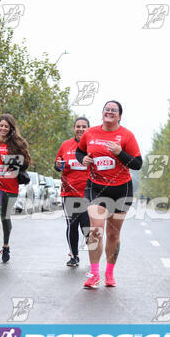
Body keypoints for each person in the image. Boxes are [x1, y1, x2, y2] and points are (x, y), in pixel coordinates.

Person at [76, 100, 142, 288]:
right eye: (107, 109)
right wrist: (84, 159)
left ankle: (109, 272)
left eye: (114, 110)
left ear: (120, 116)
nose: (110, 112)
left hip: (121, 189)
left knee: (113, 235)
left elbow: (138, 164)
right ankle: (94, 274)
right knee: (96, 230)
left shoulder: (126, 136)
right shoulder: (90, 133)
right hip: (95, 187)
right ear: (102, 113)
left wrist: (120, 153)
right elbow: (79, 151)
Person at [0, 114, 31, 263]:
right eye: (1, 125)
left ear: (10, 128)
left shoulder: (17, 143)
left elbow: (25, 163)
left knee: (5, 217)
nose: (3, 128)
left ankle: (6, 246)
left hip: (11, 185)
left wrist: (9, 160)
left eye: (6, 126)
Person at [55, 117, 91, 267]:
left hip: (89, 193)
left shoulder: (92, 146)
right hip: (69, 192)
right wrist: (58, 165)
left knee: (87, 226)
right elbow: (57, 165)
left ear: (88, 128)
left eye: (84, 126)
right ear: (74, 128)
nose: (81, 129)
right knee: (72, 224)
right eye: (78, 126)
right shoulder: (66, 145)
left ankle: (93, 254)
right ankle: (74, 256)